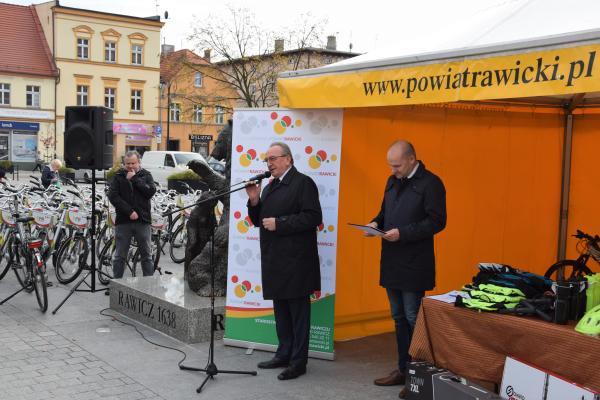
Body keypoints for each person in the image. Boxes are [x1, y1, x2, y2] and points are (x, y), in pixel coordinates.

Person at [366, 140, 446, 394]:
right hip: (391, 261)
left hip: (414, 263)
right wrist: (375, 224)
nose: (393, 170)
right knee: (399, 318)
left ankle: (417, 375)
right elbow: (384, 211)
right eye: (390, 166)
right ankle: (402, 368)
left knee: (413, 318)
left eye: (397, 165)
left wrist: (403, 233)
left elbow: (437, 221)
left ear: (412, 159)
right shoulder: (392, 181)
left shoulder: (431, 183)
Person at [245, 142, 322, 381]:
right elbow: (259, 221)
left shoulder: (303, 183)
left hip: (297, 261)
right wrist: (255, 201)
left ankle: (298, 362)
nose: (269, 163)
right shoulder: (269, 187)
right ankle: (283, 353)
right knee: (281, 312)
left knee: (298, 315)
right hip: (275, 260)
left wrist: (281, 223)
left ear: (288, 159)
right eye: (267, 159)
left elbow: (313, 217)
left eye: (274, 158)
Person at [108, 151, 157, 285]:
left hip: (143, 221)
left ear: (139, 162)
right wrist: (129, 211)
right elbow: (113, 196)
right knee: (120, 256)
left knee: (146, 254)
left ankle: (149, 285)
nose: (130, 166)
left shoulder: (146, 175)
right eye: (127, 164)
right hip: (124, 221)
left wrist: (134, 179)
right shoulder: (118, 176)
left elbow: (150, 192)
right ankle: (116, 285)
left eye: (133, 163)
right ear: (124, 163)